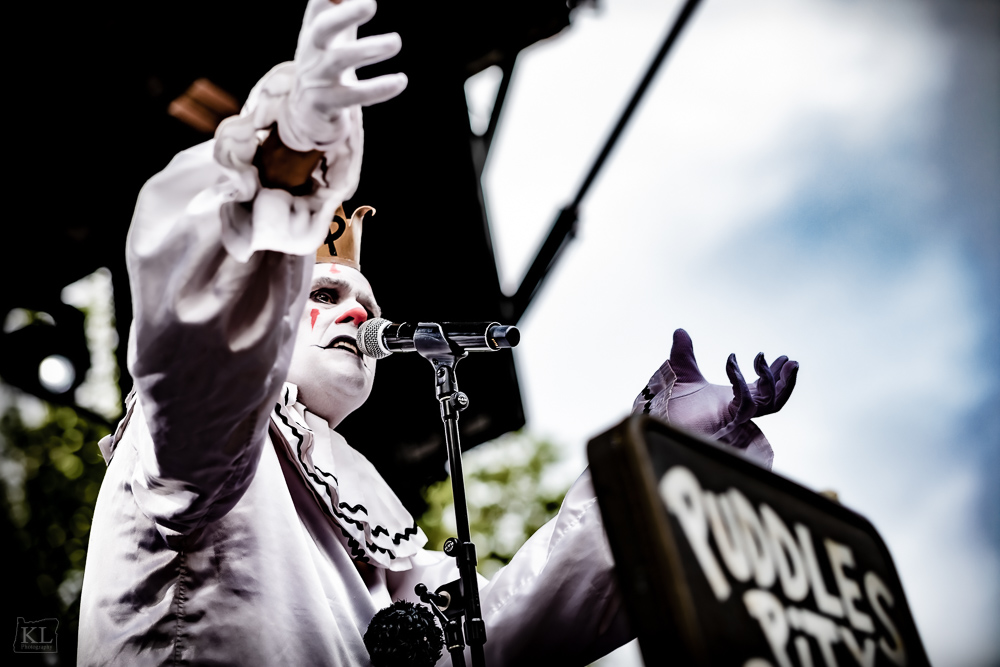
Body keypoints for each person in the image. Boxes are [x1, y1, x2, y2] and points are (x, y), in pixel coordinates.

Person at [77, 1, 798, 665]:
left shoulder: (371, 518)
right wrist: (283, 160)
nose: (359, 313)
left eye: (366, 302)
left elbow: (508, 630)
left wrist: (659, 456)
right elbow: (205, 348)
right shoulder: (203, 440)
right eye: (324, 293)